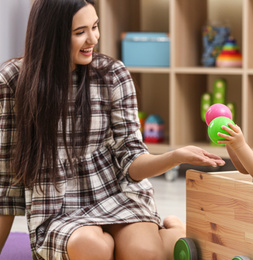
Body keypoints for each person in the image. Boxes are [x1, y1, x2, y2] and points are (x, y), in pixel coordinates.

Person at [0, 0, 225, 259]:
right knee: (93, 248)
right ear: (51, 34)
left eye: (95, 26)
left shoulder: (113, 74)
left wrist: (175, 157)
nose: (93, 38)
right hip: (59, 209)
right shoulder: (12, 80)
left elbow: (132, 159)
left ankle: (171, 230)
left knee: (143, 253)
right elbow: (5, 180)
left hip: (117, 194)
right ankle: (169, 235)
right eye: (79, 32)